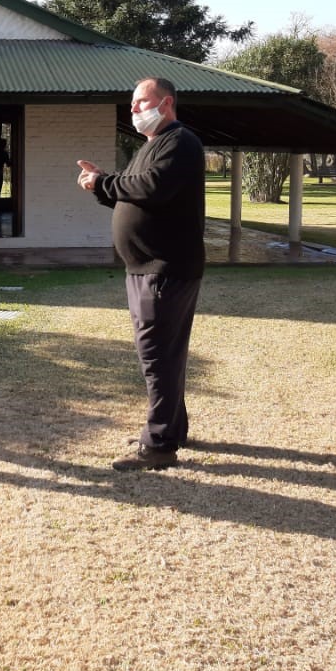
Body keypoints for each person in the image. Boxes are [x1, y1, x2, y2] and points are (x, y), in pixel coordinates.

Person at [76, 77, 205, 471]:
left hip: (163, 270)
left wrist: (105, 181)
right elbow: (133, 192)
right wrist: (101, 186)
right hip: (147, 269)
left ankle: (160, 446)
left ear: (165, 103)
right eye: (132, 104)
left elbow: (151, 188)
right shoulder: (154, 145)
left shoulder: (180, 142)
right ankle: (172, 429)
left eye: (140, 102)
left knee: (158, 358)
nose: (133, 109)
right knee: (166, 355)